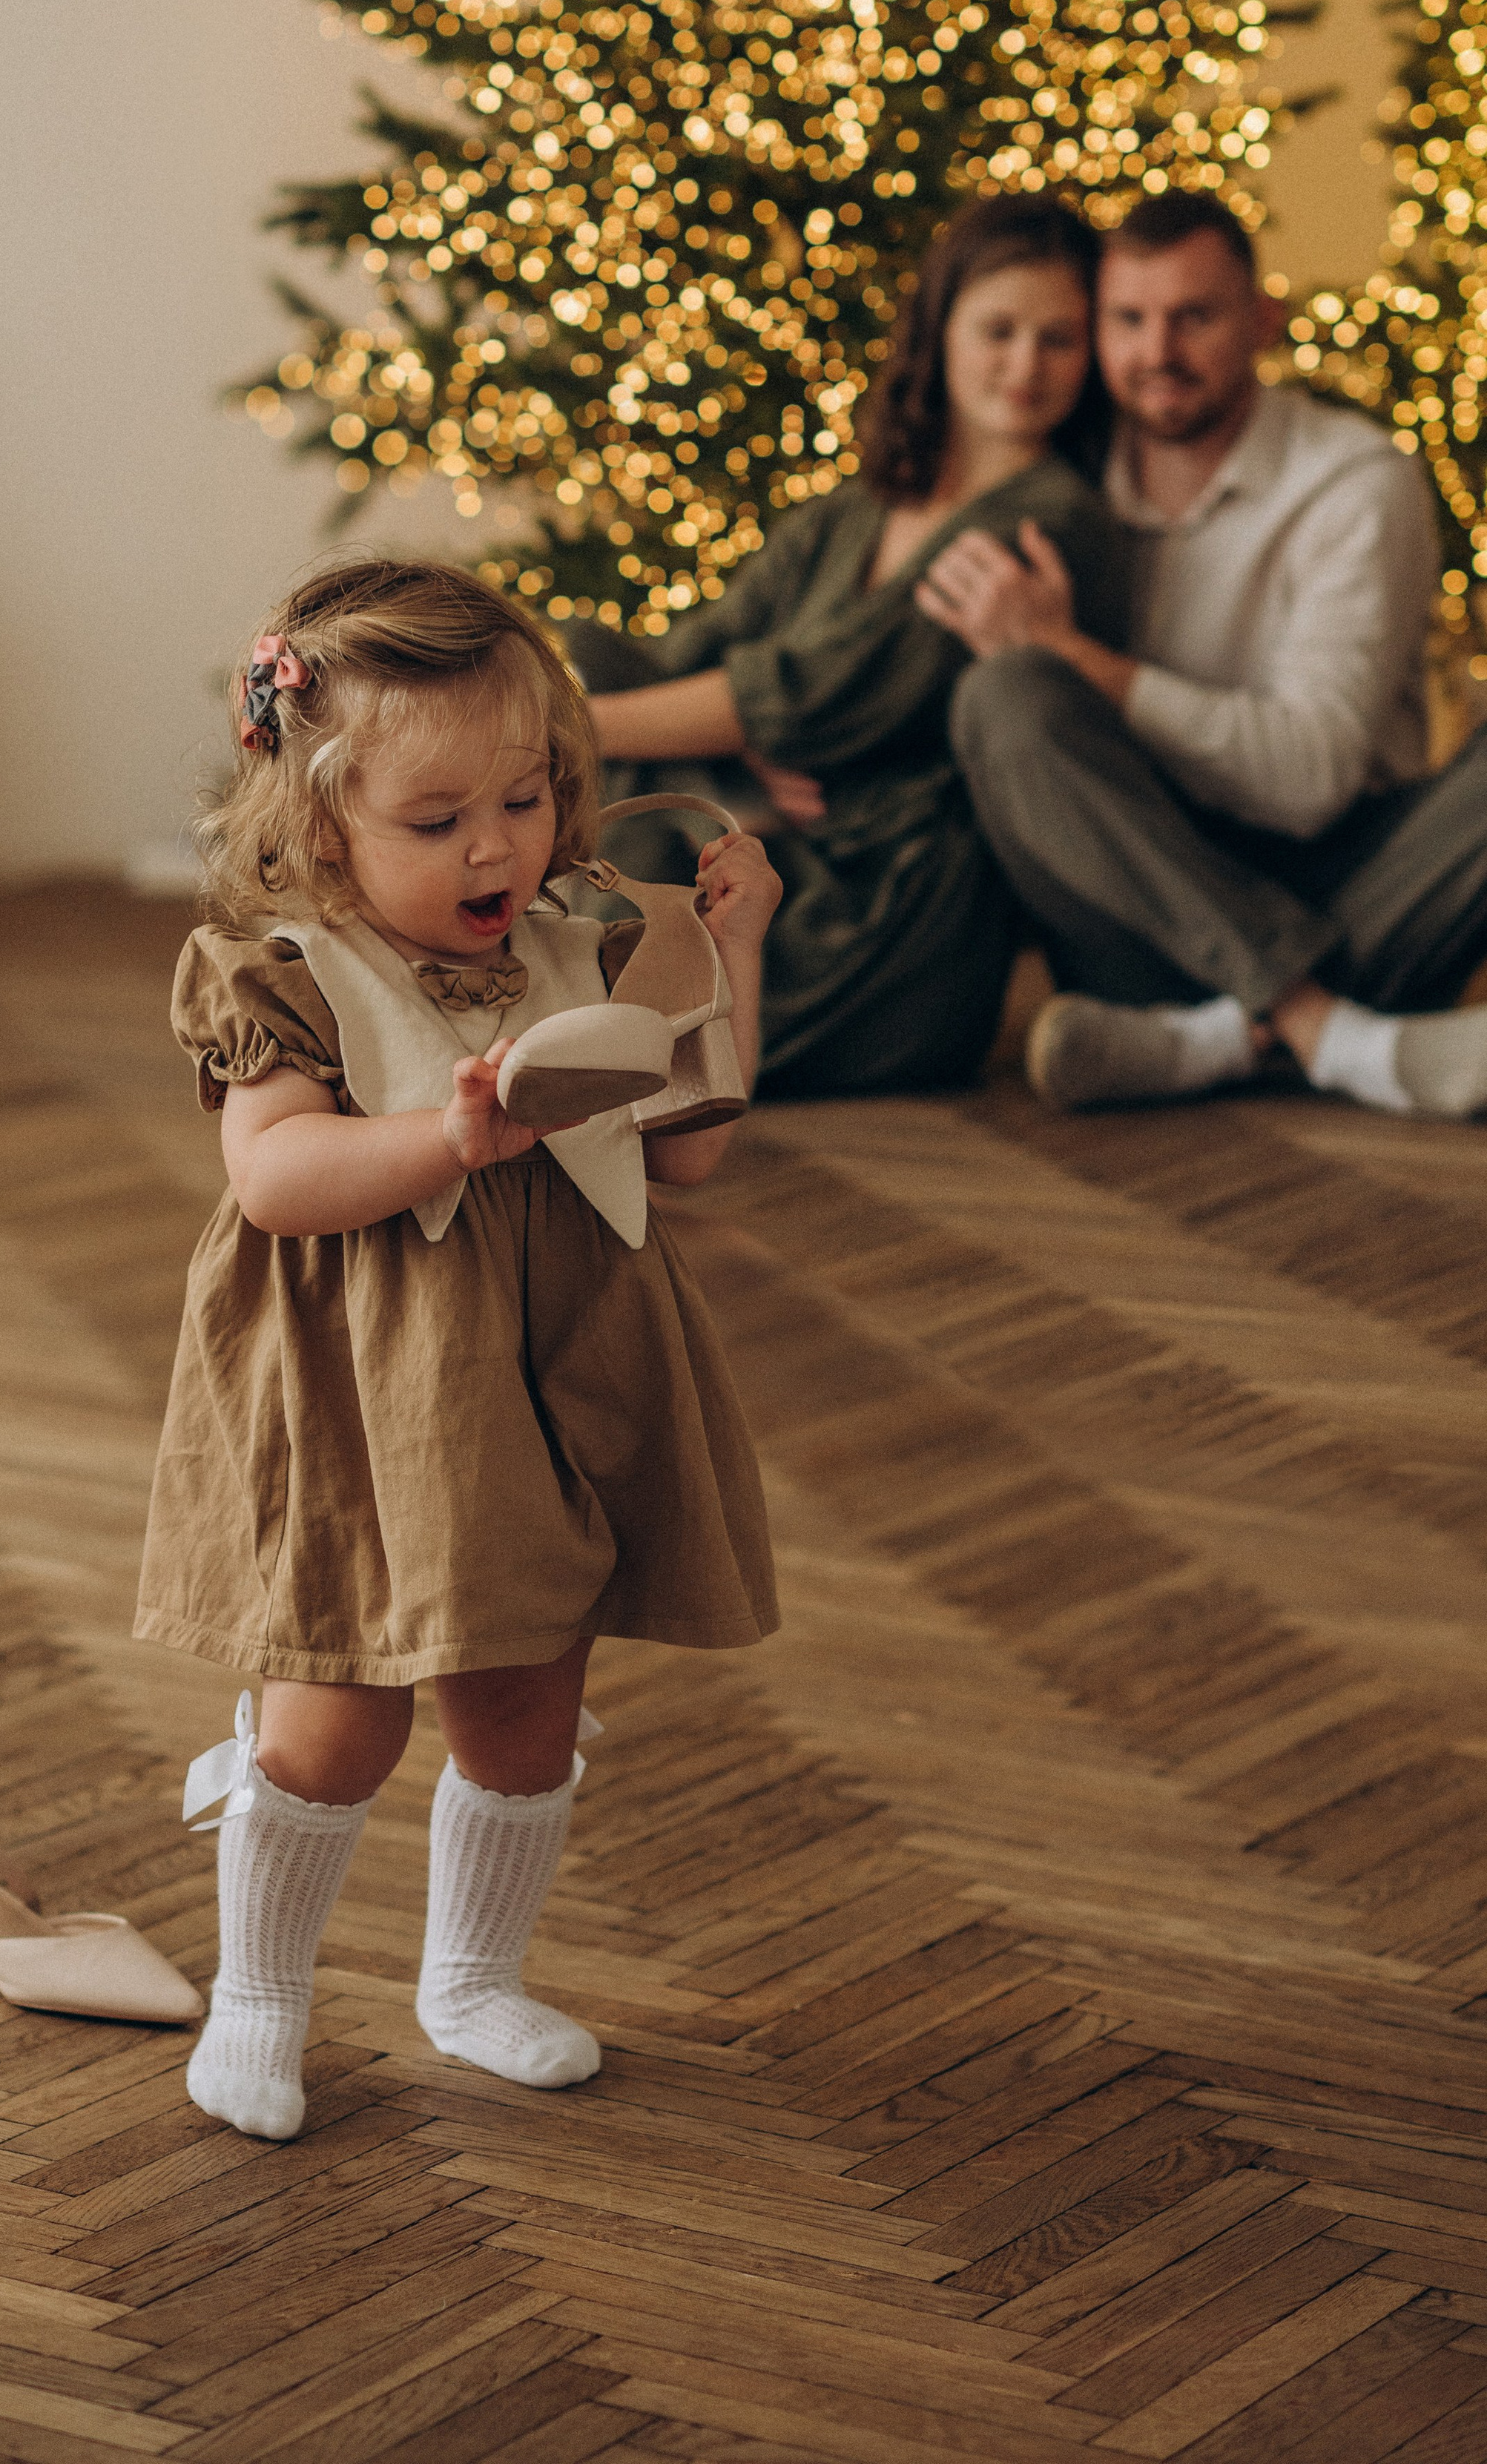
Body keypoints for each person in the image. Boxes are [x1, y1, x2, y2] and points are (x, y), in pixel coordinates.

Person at [136, 557, 780, 2143]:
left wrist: (735, 950)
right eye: (436, 822)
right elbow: (275, 1178)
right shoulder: (285, 969)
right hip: (365, 1391)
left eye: (525, 797)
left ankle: (472, 1981)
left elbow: (692, 1148)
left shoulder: (576, 939)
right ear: (320, 829)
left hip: (546, 1372)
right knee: (333, 1721)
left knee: (521, 1706)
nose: (496, 846)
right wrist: (447, 1137)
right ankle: (259, 1997)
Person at [925, 190, 1487, 1118]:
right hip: (1147, 901)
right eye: (1128, 320)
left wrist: (1072, 651)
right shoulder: (1057, 480)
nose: (1158, 352)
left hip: (1360, 890)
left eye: (1194, 317)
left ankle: (1201, 1043)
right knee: (1005, 697)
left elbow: (1307, 781)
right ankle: (1328, 1036)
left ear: (1262, 320)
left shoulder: (1355, 484)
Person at [572, 195, 1132, 1096]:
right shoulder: (863, 504)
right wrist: (734, 761)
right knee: (590, 654)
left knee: (593, 746)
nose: (1026, 366)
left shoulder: (1049, 521)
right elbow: (698, 650)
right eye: (999, 330)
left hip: (877, 908)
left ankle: (579, 999)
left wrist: (554, 732)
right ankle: (562, 981)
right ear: (941, 327)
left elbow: (807, 696)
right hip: (769, 842)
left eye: (1058, 339)